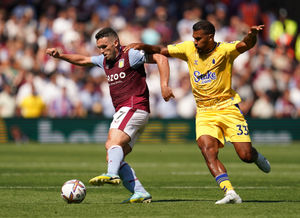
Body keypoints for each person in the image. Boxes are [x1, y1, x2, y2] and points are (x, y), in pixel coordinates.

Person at [125, 20, 271, 204]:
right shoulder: (188, 49)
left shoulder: (225, 51)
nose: (195, 42)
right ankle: (230, 192)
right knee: (207, 150)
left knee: (245, 155)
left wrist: (252, 35)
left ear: (210, 37)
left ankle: (256, 156)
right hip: (204, 112)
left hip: (227, 108)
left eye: (198, 39)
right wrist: (141, 46)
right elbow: (161, 50)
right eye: (193, 38)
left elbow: (245, 44)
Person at [46, 27, 174, 203]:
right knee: (113, 154)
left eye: (104, 46)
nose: (102, 50)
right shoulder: (104, 61)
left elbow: (160, 57)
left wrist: (164, 85)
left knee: (112, 142)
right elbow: (82, 59)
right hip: (128, 110)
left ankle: (111, 174)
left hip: (134, 106)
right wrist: (60, 56)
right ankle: (139, 192)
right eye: (99, 47)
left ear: (115, 43)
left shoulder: (130, 55)